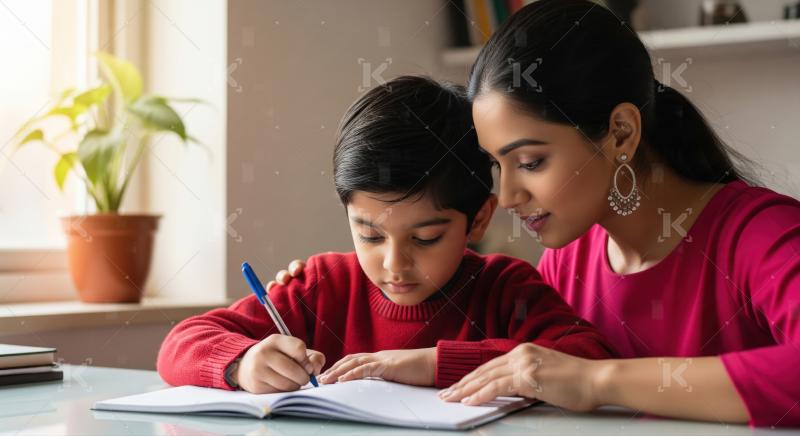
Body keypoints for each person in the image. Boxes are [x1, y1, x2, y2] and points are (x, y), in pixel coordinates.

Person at [276, 1, 800, 427]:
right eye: (494, 166)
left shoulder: (761, 236)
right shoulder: (566, 264)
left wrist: (597, 382)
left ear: (620, 131)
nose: (505, 197)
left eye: (530, 161)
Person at [156, 75, 614, 395]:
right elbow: (182, 343)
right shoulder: (322, 286)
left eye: (426, 238)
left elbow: (585, 357)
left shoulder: (504, 290)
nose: (395, 265)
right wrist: (242, 363)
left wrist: (435, 363)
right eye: (370, 236)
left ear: (478, 220)